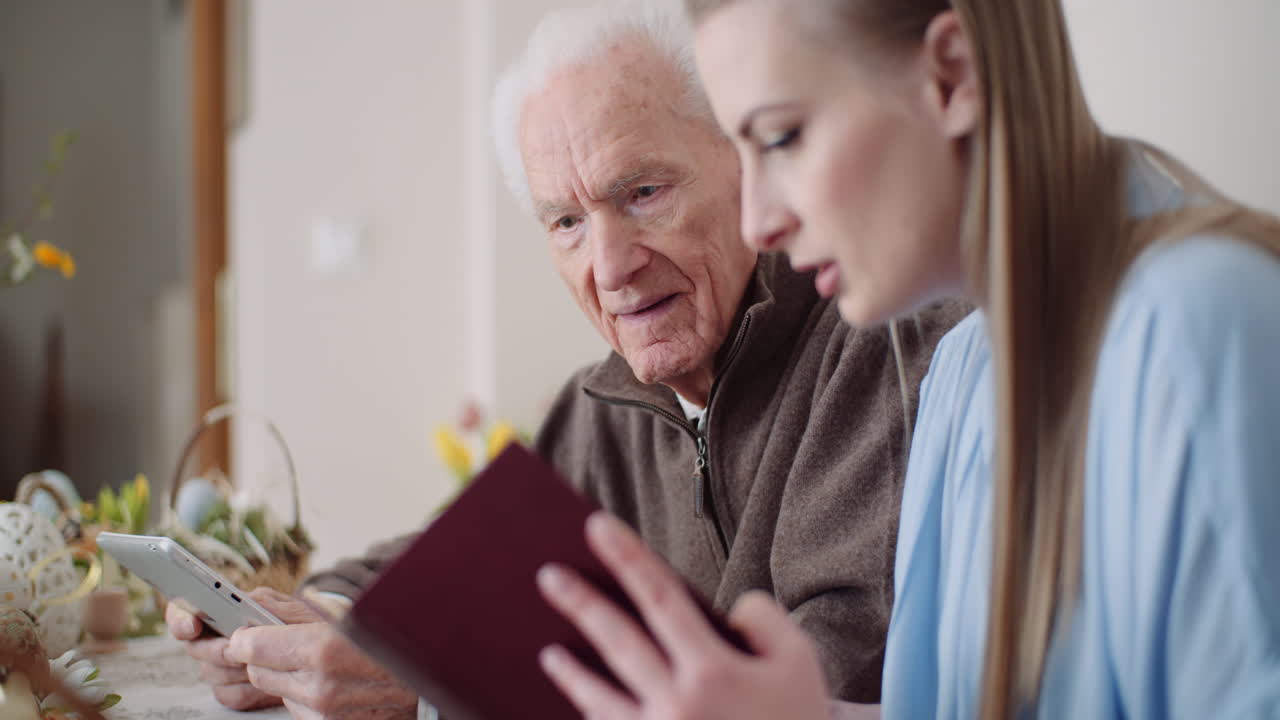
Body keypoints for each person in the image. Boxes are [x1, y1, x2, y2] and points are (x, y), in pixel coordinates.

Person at [164, 1, 968, 716]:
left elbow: (825, 679)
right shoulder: (596, 410)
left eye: (643, 193)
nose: (610, 268)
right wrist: (291, 630)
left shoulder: (880, 338)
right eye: (566, 223)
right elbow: (433, 569)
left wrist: (432, 685)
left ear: (742, 163)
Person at [533, 0, 1280, 718]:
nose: (759, 221)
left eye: (783, 137)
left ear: (950, 77)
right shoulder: (964, 371)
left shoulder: (1196, 326)